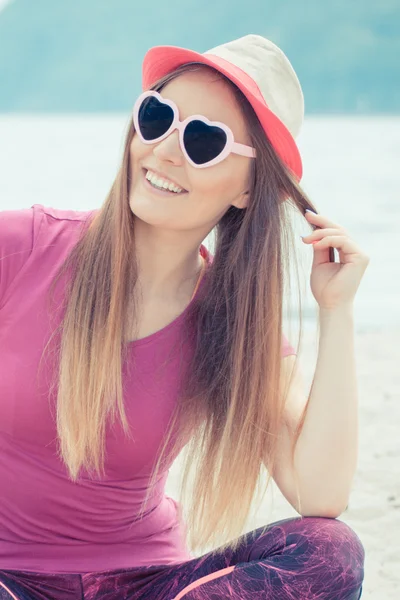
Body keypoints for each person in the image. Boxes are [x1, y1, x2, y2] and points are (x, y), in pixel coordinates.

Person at [0, 34, 368, 600]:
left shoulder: (231, 322)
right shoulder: (22, 247)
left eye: (203, 140)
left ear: (249, 187)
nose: (166, 150)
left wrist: (336, 313)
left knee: (332, 553)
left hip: (151, 585)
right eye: (157, 117)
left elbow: (320, 494)